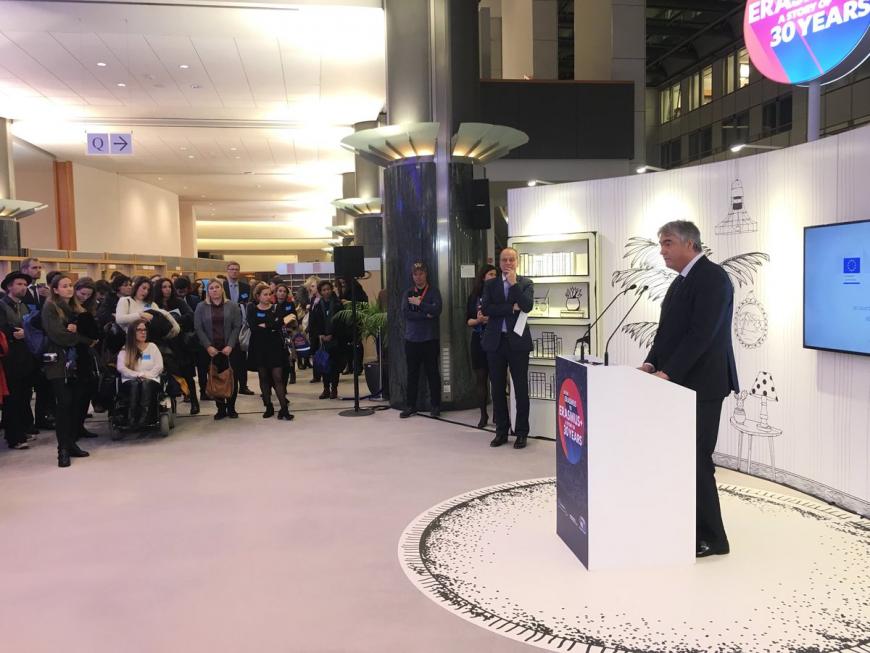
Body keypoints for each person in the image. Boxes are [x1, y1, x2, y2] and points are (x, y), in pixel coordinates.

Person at [639, 220, 739, 559]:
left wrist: (669, 372)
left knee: (697, 460)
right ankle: (689, 526)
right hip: (680, 385)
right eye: (661, 244)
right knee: (681, 458)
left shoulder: (712, 278)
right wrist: (651, 363)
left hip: (704, 385)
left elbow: (702, 335)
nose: (662, 251)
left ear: (689, 244)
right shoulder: (681, 280)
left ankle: (714, 538)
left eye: (668, 243)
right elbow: (667, 332)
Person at [480, 247, 534, 449]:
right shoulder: (490, 284)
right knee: (497, 389)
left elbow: (527, 306)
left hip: (518, 343)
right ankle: (501, 431)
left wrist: (514, 285)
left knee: (520, 389)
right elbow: (487, 309)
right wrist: (510, 308)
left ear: (517, 262)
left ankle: (521, 432)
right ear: (499, 262)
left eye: (512, 259)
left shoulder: (525, 283)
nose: (508, 263)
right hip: (495, 342)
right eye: (504, 260)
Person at [42, 274, 96, 468]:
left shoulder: (75, 308)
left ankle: (70, 443)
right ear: (55, 289)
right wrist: (83, 339)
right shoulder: (50, 307)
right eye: (64, 286)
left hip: (75, 362)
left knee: (73, 403)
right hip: (57, 362)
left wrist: (79, 334)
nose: (69, 288)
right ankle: (62, 450)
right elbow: (59, 335)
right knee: (64, 403)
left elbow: (88, 330)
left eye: (70, 285)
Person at [194, 280, 242, 420]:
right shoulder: (201, 307)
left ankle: (231, 408)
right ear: (207, 291)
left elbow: (237, 326)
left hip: (230, 348)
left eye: (217, 287)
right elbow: (198, 328)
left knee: (232, 378)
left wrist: (230, 345)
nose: (214, 290)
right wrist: (208, 346)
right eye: (211, 288)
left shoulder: (232, 306)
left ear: (222, 289)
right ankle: (220, 409)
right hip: (211, 350)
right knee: (215, 377)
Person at [0, 272, 38, 450]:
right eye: (19, 284)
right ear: (9, 286)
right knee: (12, 397)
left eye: (25, 285)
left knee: (24, 395)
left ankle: (23, 429)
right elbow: (4, 328)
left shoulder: (24, 306)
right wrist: (17, 333)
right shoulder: (2, 305)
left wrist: (26, 333)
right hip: (9, 357)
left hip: (25, 355)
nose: (23, 287)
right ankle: (14, 436)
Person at [400, 262, 443, 419]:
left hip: (430, 339)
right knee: (412, 374)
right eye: (415, 274)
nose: (418, 277)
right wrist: (426, 314)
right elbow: (406, 313)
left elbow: (437, 309)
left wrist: (420, 304)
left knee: (433, 374)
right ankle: (410, 406)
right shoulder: (408, 292)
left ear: (426, 274)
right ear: (412, 276)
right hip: (412, 339)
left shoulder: (433, 291)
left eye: (421, 274)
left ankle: (435, 406)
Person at [246, 284, 293, 420]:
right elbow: (253, 327)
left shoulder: (276, 308)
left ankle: (284, 409)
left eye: (269, 294)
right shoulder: (252, 310)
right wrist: (270, 326)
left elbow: (279, 323)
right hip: (259, 347)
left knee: (278, 377)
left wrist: (266, 325)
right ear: (258, 296)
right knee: (263, 377)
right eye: (265, 294)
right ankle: (268, 406)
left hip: (275, 347)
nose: (268, 297)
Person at [153, 277, 199, 415]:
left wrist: (175, 319)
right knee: (165, 374)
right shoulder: (154, 304)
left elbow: (190, 315)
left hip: (180, 343)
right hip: (162, 344)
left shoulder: (178, 302)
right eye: (164, 287)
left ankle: (194, 401)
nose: (167, 289)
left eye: (169, 286)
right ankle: (166, 404)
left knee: (187, 374)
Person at [466, 264, 498, 428]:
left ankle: (498, 414)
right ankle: (483, 414)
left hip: (495, 340)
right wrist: (478, 320)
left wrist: (491, 318)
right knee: (481, 379)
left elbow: (503, 316)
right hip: (478, 340)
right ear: (483, 277)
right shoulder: (474, 296)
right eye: (490, 274)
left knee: (497, 379)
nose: (493, 277)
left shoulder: (499, 295)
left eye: (495, 274)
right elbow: (468, 321)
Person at [116, 319, 164, 428]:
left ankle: (145, 417)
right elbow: (121, 367)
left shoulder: (152, 347)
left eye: (144, 330)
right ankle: (131, 417)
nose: (143, 332)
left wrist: (147, 375)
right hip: (131, 380)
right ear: (132, 333)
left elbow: (159, 366)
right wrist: (137, 375)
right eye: (139, 330)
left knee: (146, 384)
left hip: (151, 379)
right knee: (135, 384)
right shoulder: (126, 349)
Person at [72, 277, 102, 439]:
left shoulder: (88, 309)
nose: (85, 297)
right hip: (75, 354)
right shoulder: (70, 310)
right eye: (82, 293)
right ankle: (74, 429)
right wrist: (89, 340)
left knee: (86, 392)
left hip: (86, 354)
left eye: (88, 295)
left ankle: (80, 426)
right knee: (77, 394)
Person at [222, 261, 254, 395]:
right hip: (226, 326)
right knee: (229, 357)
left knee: (242, 357)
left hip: (241, 325)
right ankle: (229, 385)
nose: (234, 271)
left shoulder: (246, 287)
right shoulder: (221, 286)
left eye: (236, 269)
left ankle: (243, 385)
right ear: (227, 271)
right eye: (232, 269)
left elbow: (249, 304)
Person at [308, 280, 343, 399]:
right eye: (324, 290)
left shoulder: (338, 304)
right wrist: (320, 334)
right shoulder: (317, 306)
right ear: (320, 292)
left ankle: (334, 389)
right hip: (322, 341)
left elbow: (341, 322)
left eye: (328, 289)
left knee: (334, 366)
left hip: (336, 340)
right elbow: (313, 323)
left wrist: (332, 334)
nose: (326, 292)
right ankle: (326, 389)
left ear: (331, 290)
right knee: (324, 366)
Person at [274, 284, 297, 384]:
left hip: (288, 332)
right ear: (276, 293)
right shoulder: (272, 305)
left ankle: (292, 372)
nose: (282, 293)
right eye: (280, 291)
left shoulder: (290, 304)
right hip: (277, 333)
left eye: (284, 291)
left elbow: (294, 317)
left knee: (290, 354)